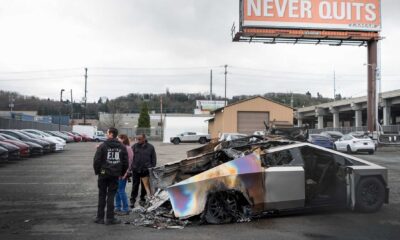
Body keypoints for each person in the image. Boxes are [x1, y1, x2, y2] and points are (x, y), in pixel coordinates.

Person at [93, 128, 128, 225]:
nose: (106, 134)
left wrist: (98, 172)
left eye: (107, 132)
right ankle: (110, 218)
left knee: (102, 195)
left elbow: (96, 161)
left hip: (103, 174)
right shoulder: (121, 146)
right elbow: (125, 162)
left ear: (111, 134)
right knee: (111, 196)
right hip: (114, 175)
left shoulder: (102, 146)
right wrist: (121, 173)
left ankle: (100, 218)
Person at [130, 133, 156, 207]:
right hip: (136, 170)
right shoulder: (134, 147)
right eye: (137, 139)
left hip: (146, 170)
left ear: (144, 138)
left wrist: (151, 167)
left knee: (144, 186)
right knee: (135, 186)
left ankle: (142, 199)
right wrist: (132, 167)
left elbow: (153, 158)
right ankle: (132, 200)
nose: (138, 140)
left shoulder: (150, 147)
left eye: (140, 139)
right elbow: (131, 158)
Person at [114, 134, 133, 215]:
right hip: (117, 173)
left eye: (118, 138)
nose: (117, 140)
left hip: (123, 173)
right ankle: (117, 207)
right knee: (116, 191)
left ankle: (125, 208)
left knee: (121, 190)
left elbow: (130, 161)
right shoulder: (119, 148)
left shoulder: (128, 148)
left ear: (123, 139)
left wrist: (126, 172)